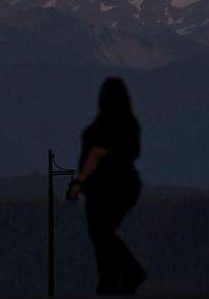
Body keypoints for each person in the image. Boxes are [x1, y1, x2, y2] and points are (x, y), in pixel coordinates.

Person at [67, 77, 145, 295]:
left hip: (102, 191)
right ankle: (114, 279)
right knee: (103, 234)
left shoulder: (99, 128)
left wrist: (79, 183)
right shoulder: (130, 125)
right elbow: (134, 152)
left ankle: (123, 274)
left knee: (100, 234)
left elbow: (94, 155)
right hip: (127, 187)